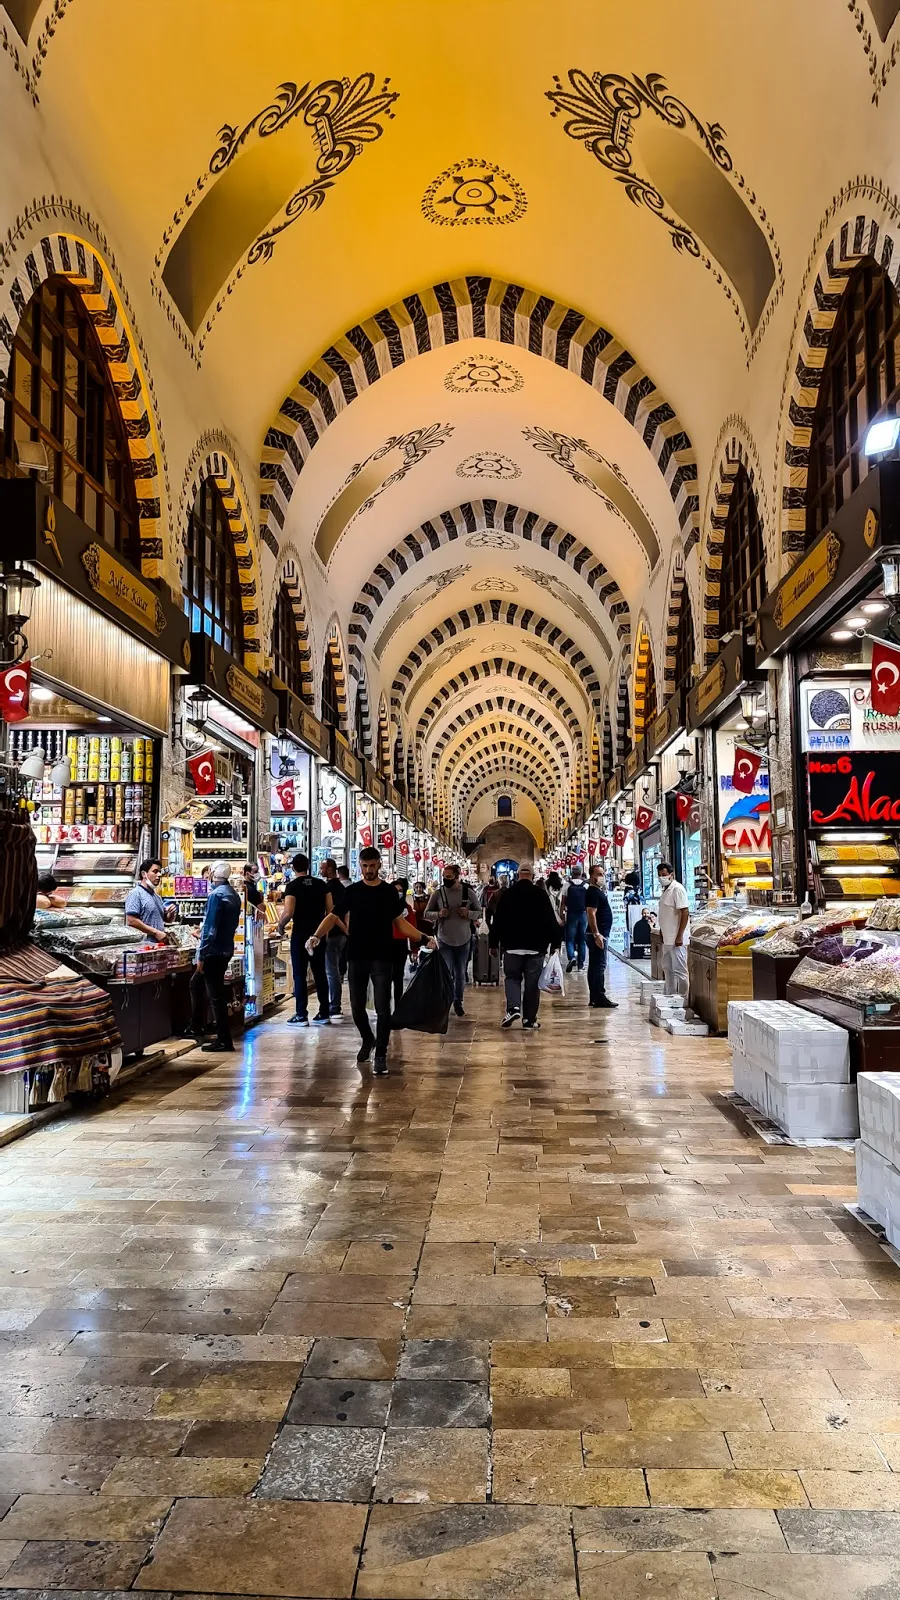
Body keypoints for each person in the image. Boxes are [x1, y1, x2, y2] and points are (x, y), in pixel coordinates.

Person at [306, 846, 434, 1074]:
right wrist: (316, 935)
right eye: (364, 866)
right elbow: (333, 915)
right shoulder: (353, 891)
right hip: (357, 955)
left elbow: (401, 924)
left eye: (372, 866)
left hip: (382, 956)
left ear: (379, 865)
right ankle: (368, 1038)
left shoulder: (388, 893)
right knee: (356, 1008)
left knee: (383, 1008)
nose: (368, 870)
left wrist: (423, 938)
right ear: (359, 866)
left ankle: (381, 1054)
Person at [489, 861, 562, 1031]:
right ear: (532, 875)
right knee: (532, 984)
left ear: (518, 874)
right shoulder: (540, 894)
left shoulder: (507, 894)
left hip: (512, 946)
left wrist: (493, 944)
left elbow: (498, 921)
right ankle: (529, 1020)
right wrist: (555, 944)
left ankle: (513, 1007)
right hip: (536, 947)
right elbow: (551, 921)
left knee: (512, 977)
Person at [276, 853, 333, 1025]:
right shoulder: (322, 885)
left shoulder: (292, 887)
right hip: (318, 934)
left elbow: (288, 912)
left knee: (299, 974)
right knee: (320, 973)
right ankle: (324, 1012)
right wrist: (325, 932)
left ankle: (301, 1015)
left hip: (300, 934)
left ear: (293, 867)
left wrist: (280, 926)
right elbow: (331, 910)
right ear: (308, 866)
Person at [189, 862, 242, 1052]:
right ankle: (197, 1026)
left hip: (213, 952)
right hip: (226, 949)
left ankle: (222, 1039)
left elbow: (210, 929)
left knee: (215, 996)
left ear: (212, 873)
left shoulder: (216, 896)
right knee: (201, 987)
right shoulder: (233, 895)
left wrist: (202, 955)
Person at [425, 862, 477, 1017]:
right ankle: (444, 1001)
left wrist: (468, 913)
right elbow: (427, 913)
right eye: (444, 877)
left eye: (448, 877)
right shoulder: (438, 893)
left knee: (460, 973)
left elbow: (479, 911)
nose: (445, 879)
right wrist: (438, 914)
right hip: (444, 938)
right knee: (446, 971)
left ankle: (458, 1002)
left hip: (464, 938)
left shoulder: (468, 892)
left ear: (457, 876)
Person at [657, 860, 690, 998]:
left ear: (671, 874)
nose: (661, 878)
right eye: (659, 875)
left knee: (680, 970)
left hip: (677, 939)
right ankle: (669, 996)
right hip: (667, 937)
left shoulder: (677, 889)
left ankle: (683, 999)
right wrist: (661, 930)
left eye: (664, 874)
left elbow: (685, 912)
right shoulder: (666, 890)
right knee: (668, 968)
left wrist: (679, 936)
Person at [319, 858, 348, 1018]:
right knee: (335, 969)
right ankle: (335, 1003)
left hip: (333, 933)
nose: (320, 870)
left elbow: (332, 913)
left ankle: (335, 1006)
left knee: (331, 970)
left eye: (322, 867)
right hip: (341, 934)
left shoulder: (329, 888)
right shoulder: (342, 888)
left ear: (329, 869)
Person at [586, 862, 616, 1009]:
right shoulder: (592, 891)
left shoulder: (596, 891)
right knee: (599, 966)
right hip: (598, 934)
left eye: (603, 874)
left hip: (599, 933)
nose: (602, 877)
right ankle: (599, 997)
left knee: (594, 965)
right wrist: (596, 933)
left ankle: (594, 997)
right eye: (599, 874)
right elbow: (591, 913)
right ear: (591, 876)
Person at [125, 858, 176, 943]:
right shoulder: (136, 894)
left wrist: (171, 913)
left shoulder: (157, 897)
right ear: (144, 874)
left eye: (160, 872)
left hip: (157, 946)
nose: (159, 875)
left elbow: (167, 920)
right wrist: (155, 932)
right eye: (155, 871)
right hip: (143, 946)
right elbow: (131, 921)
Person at [391, 877, 416, 1011]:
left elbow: (413, 928)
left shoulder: (407, 909)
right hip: (386, 944)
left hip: (400, 944)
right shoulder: (382, 906)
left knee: (398, 976)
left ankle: (398, 1006)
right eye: (395, 891)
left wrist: (414, 950)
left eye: (401, 890)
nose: (398, 893)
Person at [563, 865, 588, 973]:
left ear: (572, 873)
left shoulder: (567, 885)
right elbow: (589, 902)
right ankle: (581, 965)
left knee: (570, 938)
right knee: (582, 940)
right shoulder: (586, 885)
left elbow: (563, 903)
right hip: (583, 914)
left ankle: (572, 957)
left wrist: (561, 915)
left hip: (571, 914)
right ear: (581, 873)